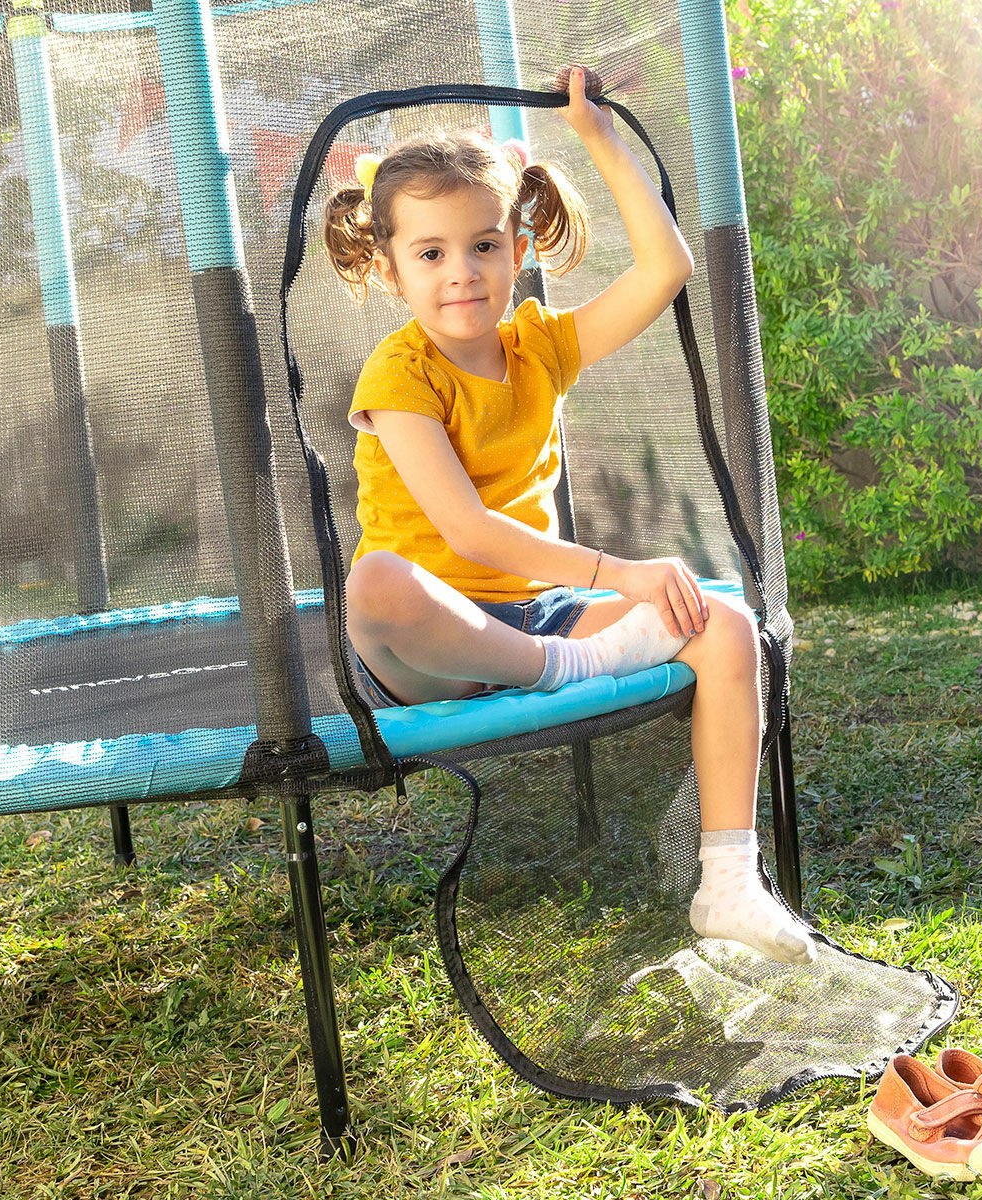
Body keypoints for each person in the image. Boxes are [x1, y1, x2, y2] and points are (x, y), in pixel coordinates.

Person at [322, 66, 816, 966]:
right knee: (377, 582)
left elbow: (668, 268)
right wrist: (622, 578)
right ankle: (562, 667)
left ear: (517, 248)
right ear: (391, 270)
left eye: (482, 246)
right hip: (430, 643)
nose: (461, 273)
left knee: (728, 627)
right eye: (430, 254)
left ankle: (731, 884)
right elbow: (467, 532)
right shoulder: (401, 378)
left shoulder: (540, 343)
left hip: (538, 612)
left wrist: (600, 141)